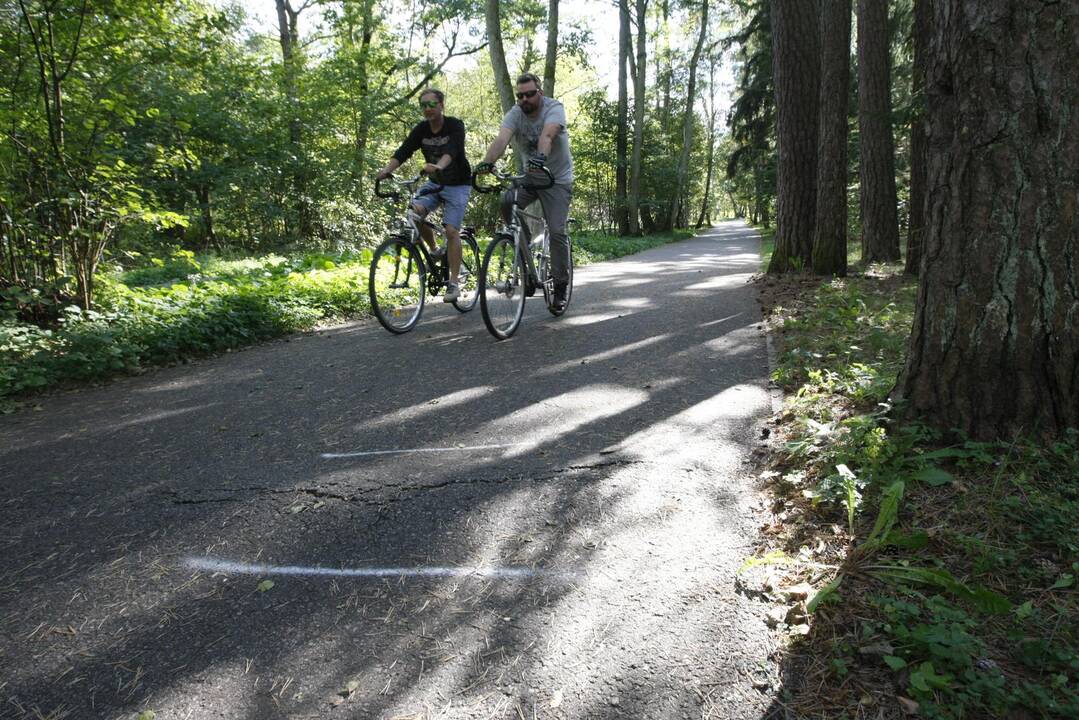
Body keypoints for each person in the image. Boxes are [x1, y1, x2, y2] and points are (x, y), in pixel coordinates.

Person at [475, 72, 574, 312]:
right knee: (507, 200)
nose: (524, 99)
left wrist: (540, 158)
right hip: (530, 178)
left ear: (539, 92)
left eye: (530, 94)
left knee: (557, 230)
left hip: (556, 181)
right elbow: (502, 139)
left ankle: (560, 285)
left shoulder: (554, 108)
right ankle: (524, 252)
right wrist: (486, 163)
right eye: (520, 95)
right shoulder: (515, 114)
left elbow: (548, 134)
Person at [376, 89, 472, 302]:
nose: (428, 109)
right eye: (423, 105)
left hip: (458, 184)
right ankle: (435, 250)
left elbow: (452, 151)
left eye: (432, 104)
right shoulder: (421, 130)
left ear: (441, 105)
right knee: (414, 212)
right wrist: (386, 170)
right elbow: (404, 151)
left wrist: (438, 166)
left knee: (451, 230)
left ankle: (454, 283)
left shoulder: (455, 125)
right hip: (435, 183)